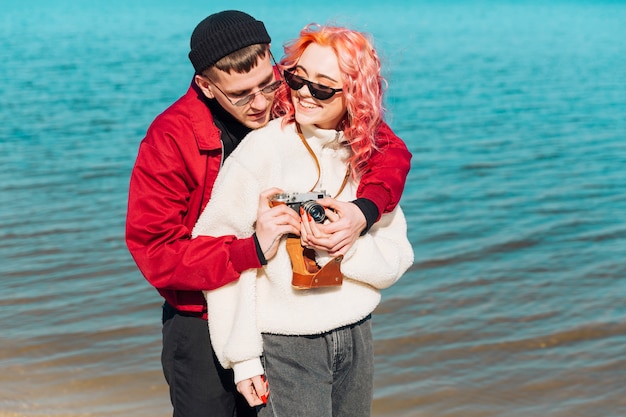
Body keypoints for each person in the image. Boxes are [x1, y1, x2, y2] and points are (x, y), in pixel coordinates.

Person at [125, 10, 412, 417]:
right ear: (207, 86)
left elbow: (387, 150)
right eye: (242, 94)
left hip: (281, 312)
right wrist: (253, 250)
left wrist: (362, 213)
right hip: (201, 316)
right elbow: (156, 253)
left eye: (270, 82)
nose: (262, 104)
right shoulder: (171, 139)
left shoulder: (297, 91)